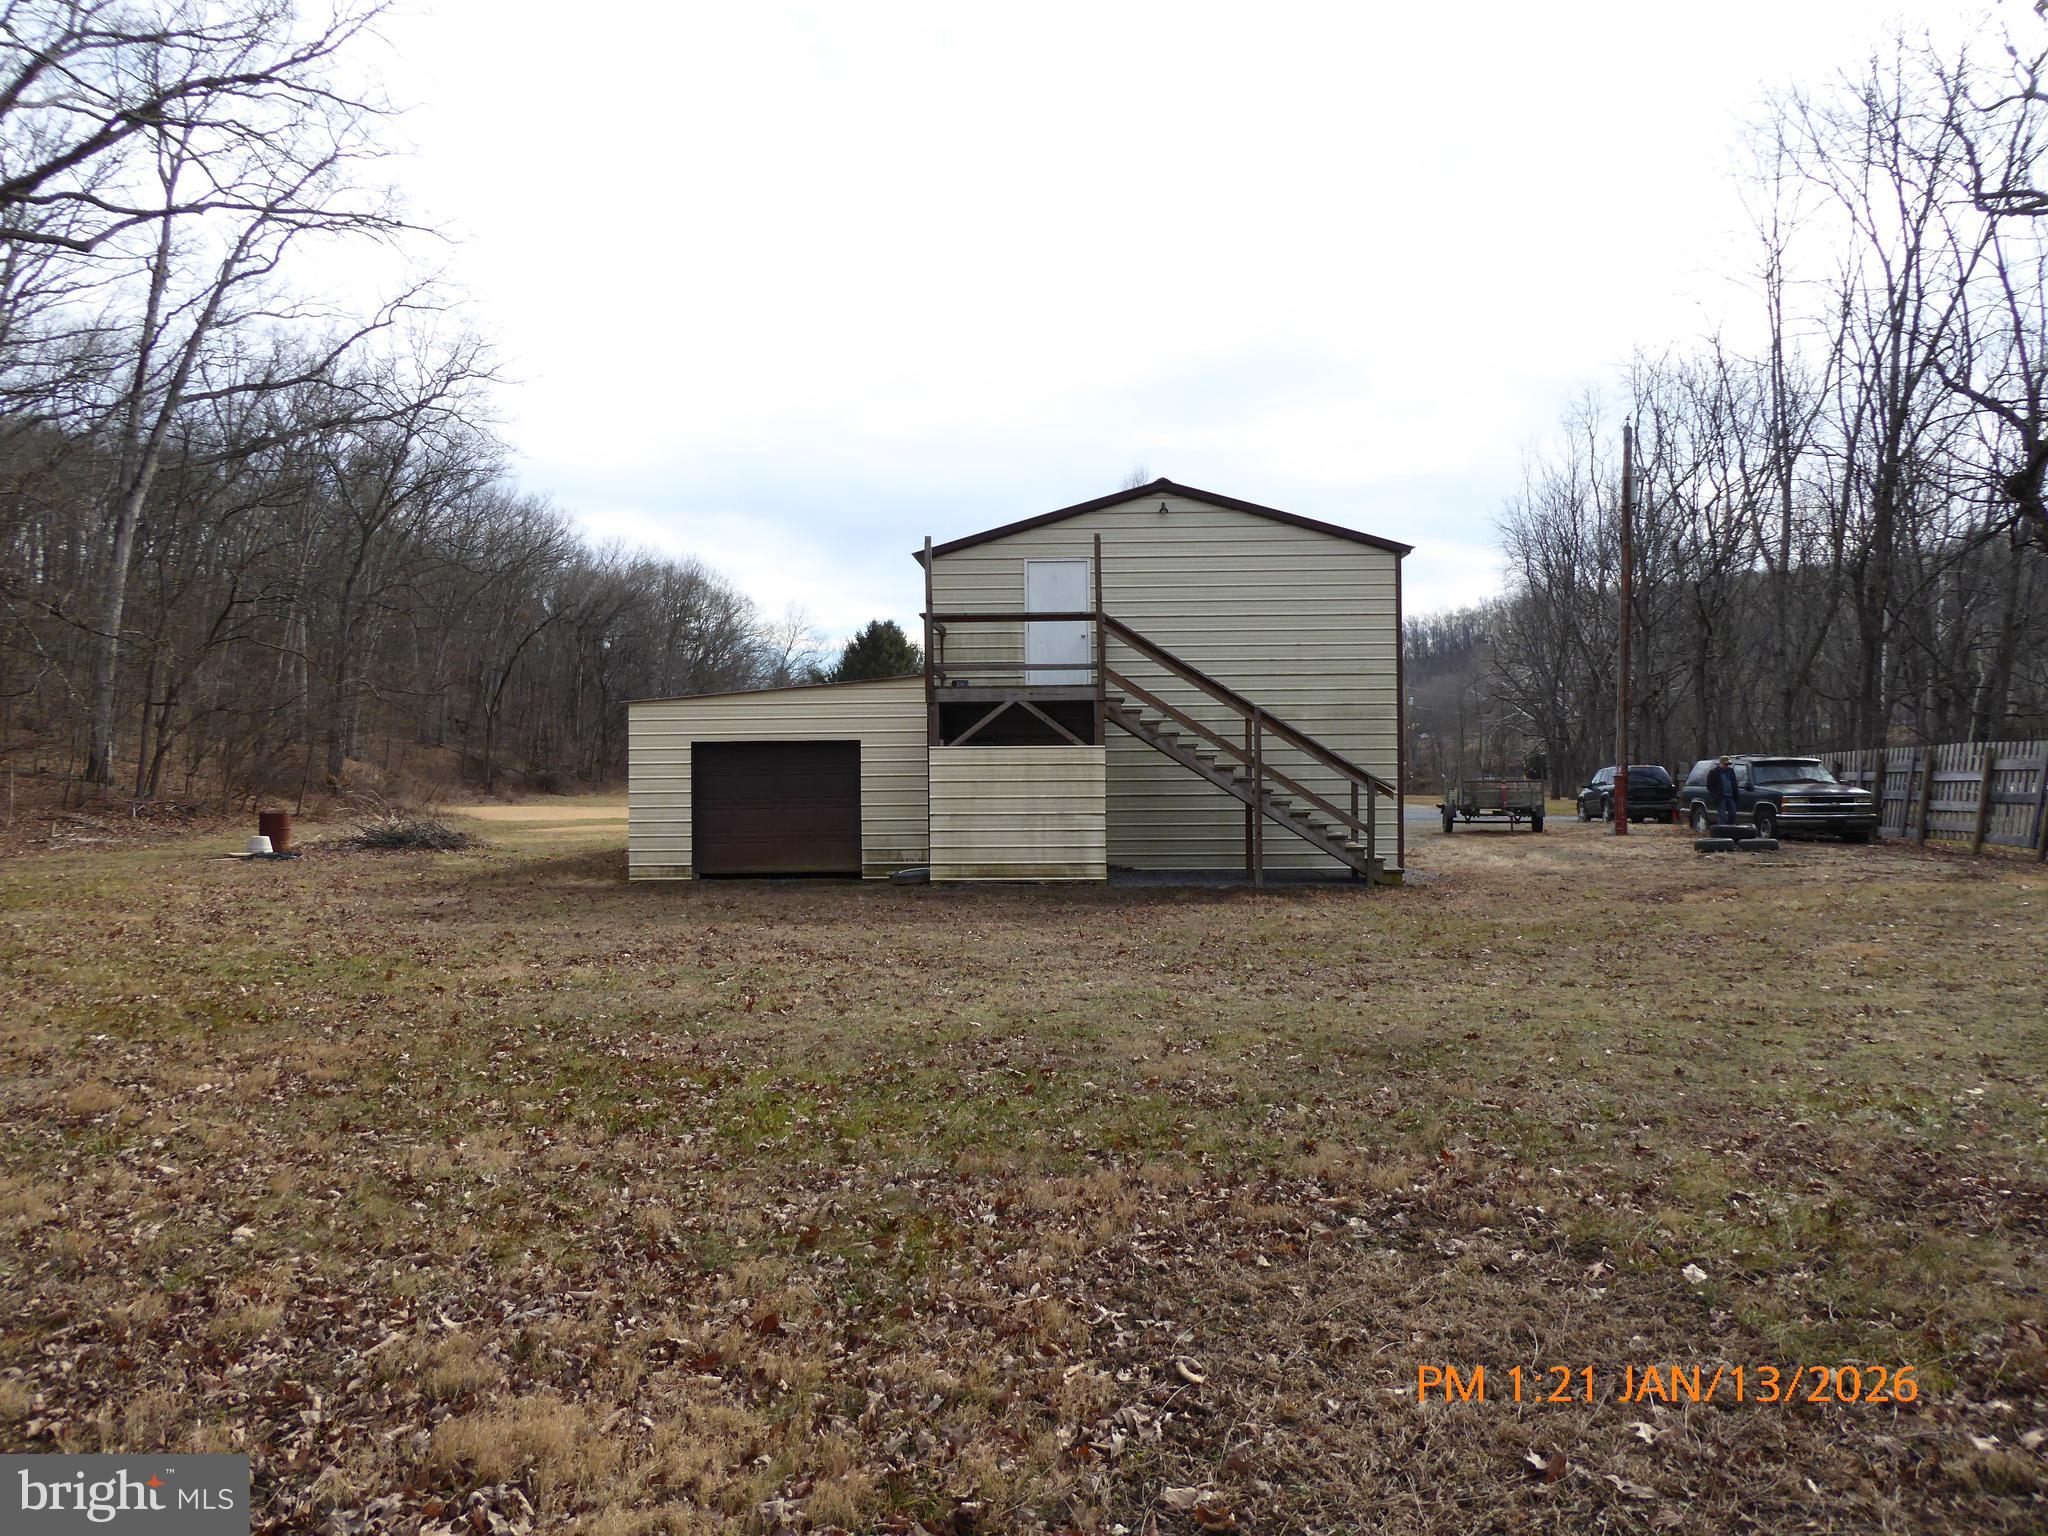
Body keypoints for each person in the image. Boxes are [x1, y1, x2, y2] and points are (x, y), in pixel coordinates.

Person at [1706, 755, 1740, 826]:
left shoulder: (1731, 771)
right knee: (1722, 816)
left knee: (1733, 814)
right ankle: (1722, 831)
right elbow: (1709, 786)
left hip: (1731, 797)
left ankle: (1730, 829)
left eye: (1728, 764)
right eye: (1725, 764)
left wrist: (1736, 795)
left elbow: (1734, 784)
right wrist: (1715, 796)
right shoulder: (1714, 772)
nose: (1727, 766)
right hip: (1720, 798)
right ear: (1720, 763)